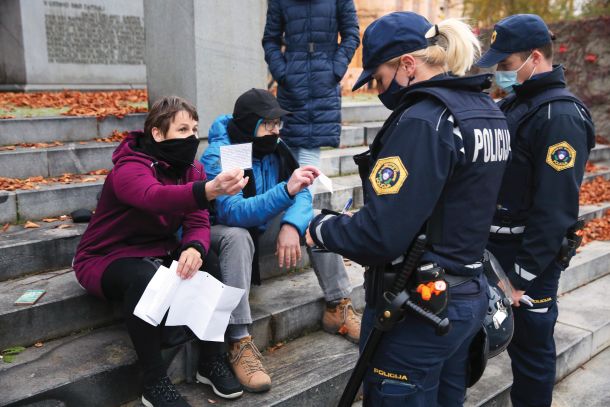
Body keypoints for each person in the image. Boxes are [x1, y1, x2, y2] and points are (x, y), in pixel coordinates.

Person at [306, 12, 511, 405]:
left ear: (407, 65)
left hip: (417, 307)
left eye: (381, 79)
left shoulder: (423, 119)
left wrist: (322, 229)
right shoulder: (486, 111)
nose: (381, 91)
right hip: (465, 294)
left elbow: (380, 236)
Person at [73, 96, 248, 407]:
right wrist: (209, 190)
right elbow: (153, 196)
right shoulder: (129, 167)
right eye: (182, 129)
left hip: (157, 250)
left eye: (194, 129)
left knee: (207, 259)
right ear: (157, 133)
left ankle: (211, 359)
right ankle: (154, 381)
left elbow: (197, 219)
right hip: (106, 257)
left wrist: (194, 245)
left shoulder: (191, 168)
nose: (192, 138)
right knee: (143, 279)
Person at [200, 88, 361, 393]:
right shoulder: (221, 154)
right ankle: (238, 340)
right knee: (237, 236)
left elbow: (301, 189)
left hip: (263, 227)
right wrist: (284, 192)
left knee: (314, 219)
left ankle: (337, 305)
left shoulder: (275, 147)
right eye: (268, 124)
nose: (275, 131)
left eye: (278, 124)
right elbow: (233, 213)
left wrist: (290, 224)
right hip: (223, 236)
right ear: (249, 125)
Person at [476, 14, 595, 407]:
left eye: (506, 65)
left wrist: (521, 276)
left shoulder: (560, 115)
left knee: (531, 354)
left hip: (529, 258)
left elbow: (555, 209)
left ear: (533, 57)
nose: (501, 74)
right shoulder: (520, 103)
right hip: (494, 245)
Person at [262, 0, 360, 167]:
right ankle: (294, 192)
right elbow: (271, 40)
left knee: (310, 149)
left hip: (324, 79)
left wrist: (336, 68)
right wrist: (282, 73)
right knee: (289, 147)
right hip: (292, 81)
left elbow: (351, 34)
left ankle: (304, 194)